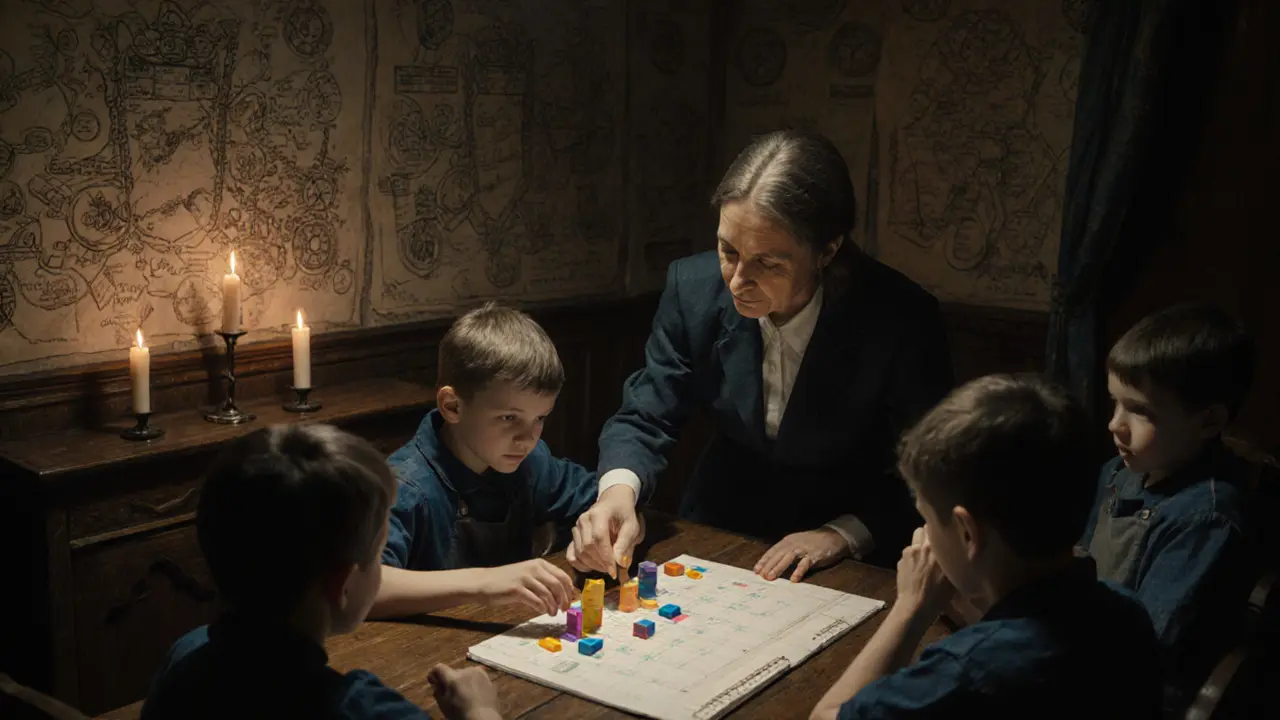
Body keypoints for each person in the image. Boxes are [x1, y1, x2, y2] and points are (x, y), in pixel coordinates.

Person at [570, 129, 954, 581]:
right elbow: (647, 414)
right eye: (728, 251)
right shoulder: (693, 290)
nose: (736, 281)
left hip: (849, 535)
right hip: (721, 518)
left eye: (768, 263)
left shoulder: (900, 316)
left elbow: (932, 462)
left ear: (828, 251)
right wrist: (617, 494)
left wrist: (844, 534)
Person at [811, 375, 1163, 719]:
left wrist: (910, 608)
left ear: (967, 533)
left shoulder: (966, 672)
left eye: (928, 519)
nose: (926, 535)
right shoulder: (1127, 612)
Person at [140, 424, 500, 720]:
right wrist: (480, 711)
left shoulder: (184, 657)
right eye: (377, 557)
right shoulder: (365, 710)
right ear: (342, 585)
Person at [1079, 303, 1258, 713]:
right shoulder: (1118, 472)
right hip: (1089, 647)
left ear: (1209, 422)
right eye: (1115, 402)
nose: (1115, 424)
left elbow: (1148, 643)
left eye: (1140, 411)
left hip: (1137, 689)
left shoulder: (1206, 518)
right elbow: (1081, 563)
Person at [371, 303, 603, 619]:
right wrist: (485, 583)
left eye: (540, 418)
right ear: (452, 406)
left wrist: (604, 524)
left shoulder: (531, 461)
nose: (527, 438)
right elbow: (359, 585)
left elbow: (602, 498)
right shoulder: (402, 486)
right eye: (509, 417)